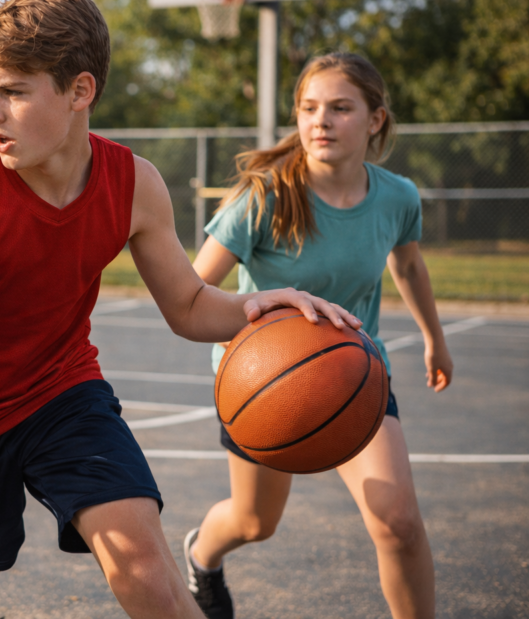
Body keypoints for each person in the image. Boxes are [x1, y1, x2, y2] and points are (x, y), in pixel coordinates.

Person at [0, 0, 360, 619]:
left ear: (80, 91)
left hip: (63, 392)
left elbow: (188, 307)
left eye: (13, 91)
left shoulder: (134, 184)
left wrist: (266, 306)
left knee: (141, 557)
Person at [181, 52, 452, 619]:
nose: (320, 121)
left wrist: (434, 337)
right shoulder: (265, 196)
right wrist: (261, 313)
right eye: (308, 108)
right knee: (256, 522)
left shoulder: (397, 196)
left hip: (355, 372)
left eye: (340, 108)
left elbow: (408, 268)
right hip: (264, 380)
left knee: (399, 523)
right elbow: (191, 290)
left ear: (376, 120)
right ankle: (203, 553)